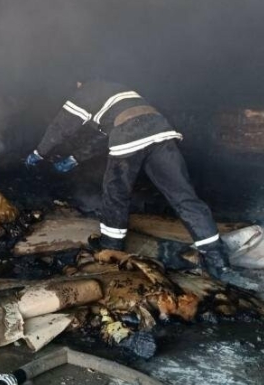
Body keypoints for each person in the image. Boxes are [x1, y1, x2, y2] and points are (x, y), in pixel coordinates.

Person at [25, 80, 229, 278]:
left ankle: (110, 248)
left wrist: (39, 152)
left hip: (131, 132)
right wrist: (75, 158)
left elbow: (61, 126)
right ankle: (217, 259)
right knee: (184, 196)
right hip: (161, 132)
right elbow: (105, 136)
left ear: (77, 85)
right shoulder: (114, 92)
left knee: (116, 193)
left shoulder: (85, 92)